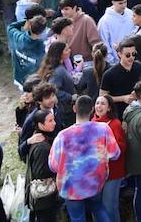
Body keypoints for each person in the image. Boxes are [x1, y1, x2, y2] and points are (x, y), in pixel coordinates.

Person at [48, 94, 123, 222]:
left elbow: (53, 166)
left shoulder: (62, 136)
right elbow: (115, 154)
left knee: (78, 218)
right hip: (95, 183)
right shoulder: (103, 129)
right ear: (92, 110)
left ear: (74, 109)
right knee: (99, 209)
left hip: (71, 188)